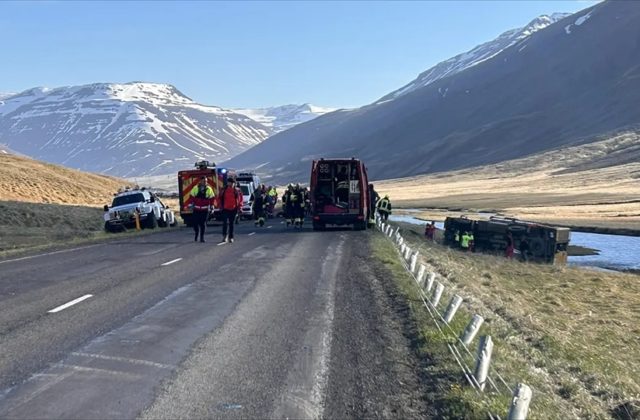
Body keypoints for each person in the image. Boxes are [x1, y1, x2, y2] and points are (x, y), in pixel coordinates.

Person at [189, 177, 215, 242]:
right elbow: (191, 196)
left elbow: (212, 198)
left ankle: (202, 238)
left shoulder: (209, 189)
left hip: (205, 209)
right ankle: (196, 233)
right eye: (203, 181)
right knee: (195, 223)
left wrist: (212, 206)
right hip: (196, 209)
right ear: (200, 181)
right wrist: (192, 204)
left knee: (203, 224)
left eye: (206, 181)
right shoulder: (195, 188)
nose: (205, 182)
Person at [218, 178, 243, 243]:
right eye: (229, 182)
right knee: (225, 223)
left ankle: (231, 237)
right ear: (228, 183)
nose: (231, 184)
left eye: (232, 183)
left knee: (231, 224)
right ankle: (224, 236)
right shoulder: (224, 190)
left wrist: (240, 207)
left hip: (234, 209)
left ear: (234, 183)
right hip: (225, 209)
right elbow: (219, 198)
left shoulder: (237, 191)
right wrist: (220, 206)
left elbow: (240, 200)